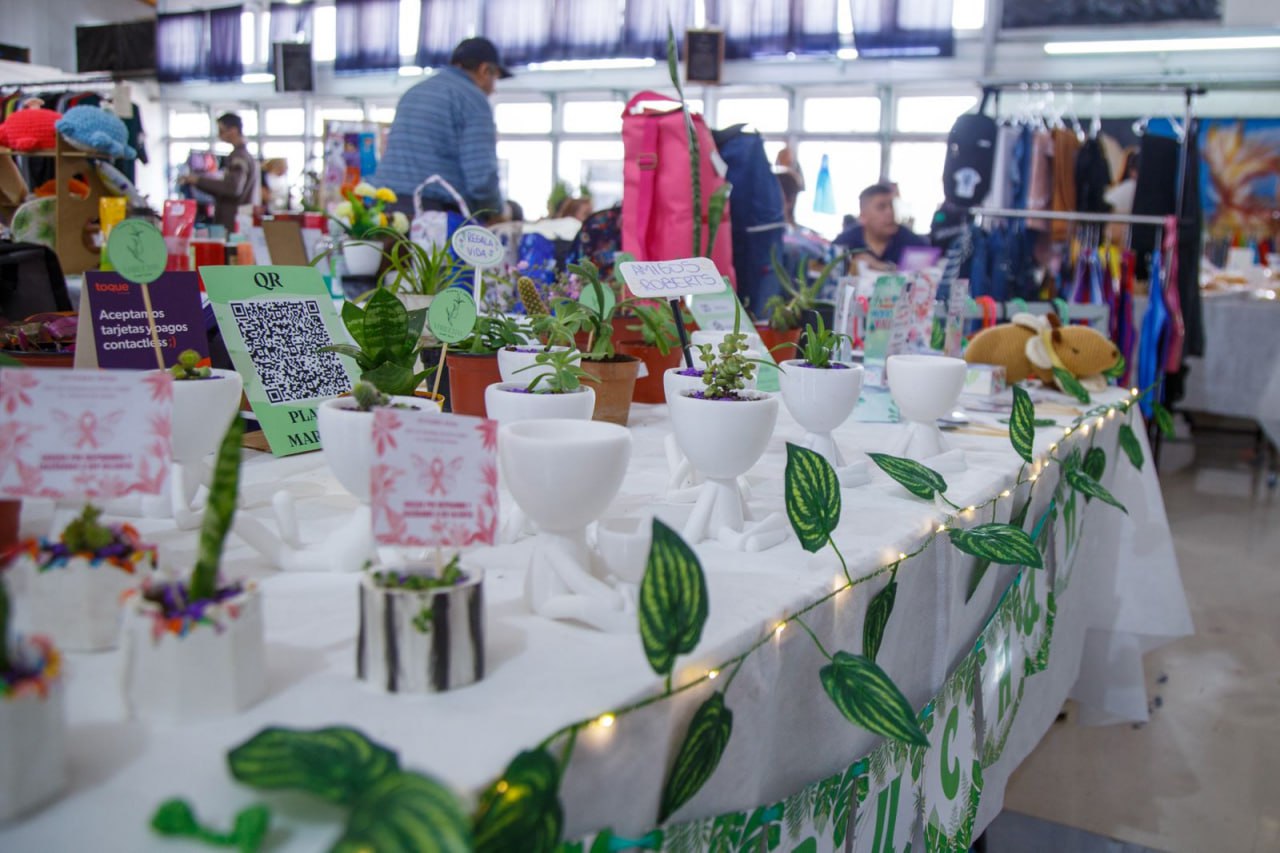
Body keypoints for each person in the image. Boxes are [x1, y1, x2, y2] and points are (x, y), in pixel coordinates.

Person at [378, 37, 510, 222]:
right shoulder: (473, 100)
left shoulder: (413, 93)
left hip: (388, 211)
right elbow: (481, 179)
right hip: (435, 217)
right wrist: (498, 212)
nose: (494, 89)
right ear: (485, 70)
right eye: (495, 79)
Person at [178, 113, 259, 232]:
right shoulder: (245, 156)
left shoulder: (239, 157)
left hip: (233, 222)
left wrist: (197, 180)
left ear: (234, 130)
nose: (219, 135)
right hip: (240, 220)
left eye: (221, 130)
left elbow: (233, 188)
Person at [833, 182, 928, 267]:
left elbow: (926, 273)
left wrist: (883, 267)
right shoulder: (845, 242)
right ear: (863, 217)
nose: (890, 212)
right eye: (881, 207)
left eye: (891, 206)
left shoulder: (912, 243)